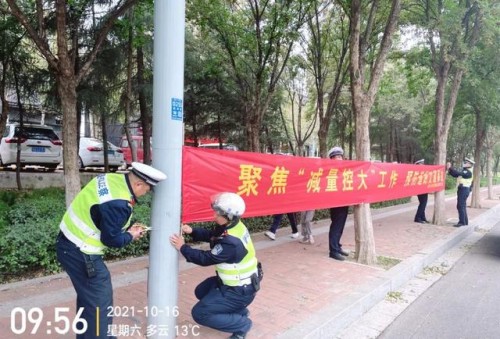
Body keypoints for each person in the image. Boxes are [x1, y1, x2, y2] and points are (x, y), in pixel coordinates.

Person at [56, 162, 167, 338]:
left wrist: (125, 229)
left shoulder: (109, 178)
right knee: (99, 302)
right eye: (147, 189)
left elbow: (101, 216)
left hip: (68, 244)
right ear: (138, 184)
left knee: (88, 300)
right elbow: (111, 240)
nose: (146, 193)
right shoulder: (118, 203)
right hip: (82, 252)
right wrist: (131, 235)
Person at [170, 192, 259, 339]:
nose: (214, 215)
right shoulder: (233, 226)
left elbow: (206, 258)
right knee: (201, 291)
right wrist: (192, 231)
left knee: (200, 313)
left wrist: (183, 247)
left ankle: (242, 325)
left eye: (218, 213)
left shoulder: (231, 242)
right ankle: (239, 311)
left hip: (240, 291)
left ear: (228, 216)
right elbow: (213, 236)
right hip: (233, 285)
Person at [328, 146, 350, 261]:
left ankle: (337, 246)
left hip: (344, 201)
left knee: (341, 226)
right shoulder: (330, 172)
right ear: (331, 158)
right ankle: (333, 251)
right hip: (335, 202)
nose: (339, 158)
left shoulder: (344, 170)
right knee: (336, 226)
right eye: (336, 156)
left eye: (340, 156)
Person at [446, 158, 475, 227]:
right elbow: (455, 175)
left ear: (470, 164)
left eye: (466, 163)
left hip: (464, 189)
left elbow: (457, 173)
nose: (464, 163)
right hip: (463, 189)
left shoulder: (468, 172)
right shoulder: (465, 170)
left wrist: (450, 168)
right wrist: (449, 169)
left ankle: (462, 222)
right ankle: (465, 221)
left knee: (460, 206)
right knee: (462, 206)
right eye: (465, 162)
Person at [414, 159, 429, 224]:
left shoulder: (423, 171)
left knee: (423, 203)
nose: (422, 164)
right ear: (417, 164)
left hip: (424, 189)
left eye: (422, 163)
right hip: (420, 189)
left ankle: (423, 217)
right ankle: (417, 218)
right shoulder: (416, 172)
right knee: (423, 203)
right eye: (421, 163)